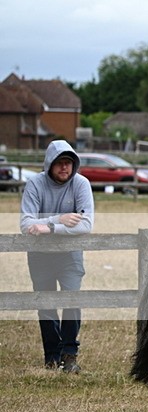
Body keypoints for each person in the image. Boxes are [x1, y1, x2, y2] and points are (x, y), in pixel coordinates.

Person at [20, 140, 94, 373]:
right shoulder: (35, 184)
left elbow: (86, 225)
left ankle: (70, 355)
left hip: (70, 254)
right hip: (40, 255)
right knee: (46, 304)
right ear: (49, 164)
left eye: (69, 162)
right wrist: (58, 219)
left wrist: (50, 228)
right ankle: (52, 357)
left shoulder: (81, 184)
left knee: (72, 300)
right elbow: (26, 224)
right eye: (60, 162)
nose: (64, 167)